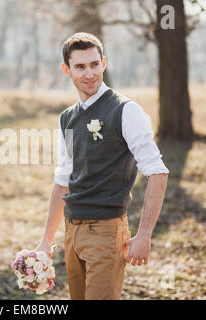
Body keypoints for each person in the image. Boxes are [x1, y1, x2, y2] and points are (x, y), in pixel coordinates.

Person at [36, 32, 169, 299]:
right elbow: (63, 180)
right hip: (72, 232)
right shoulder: (67, 119)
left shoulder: (125, 111)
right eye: (80, 67)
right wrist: (46, 240)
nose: (89, 73)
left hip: (107, 232)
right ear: (67, 70)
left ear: (104, 63)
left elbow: (157, 171)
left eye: (94, 64)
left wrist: (144, 235)